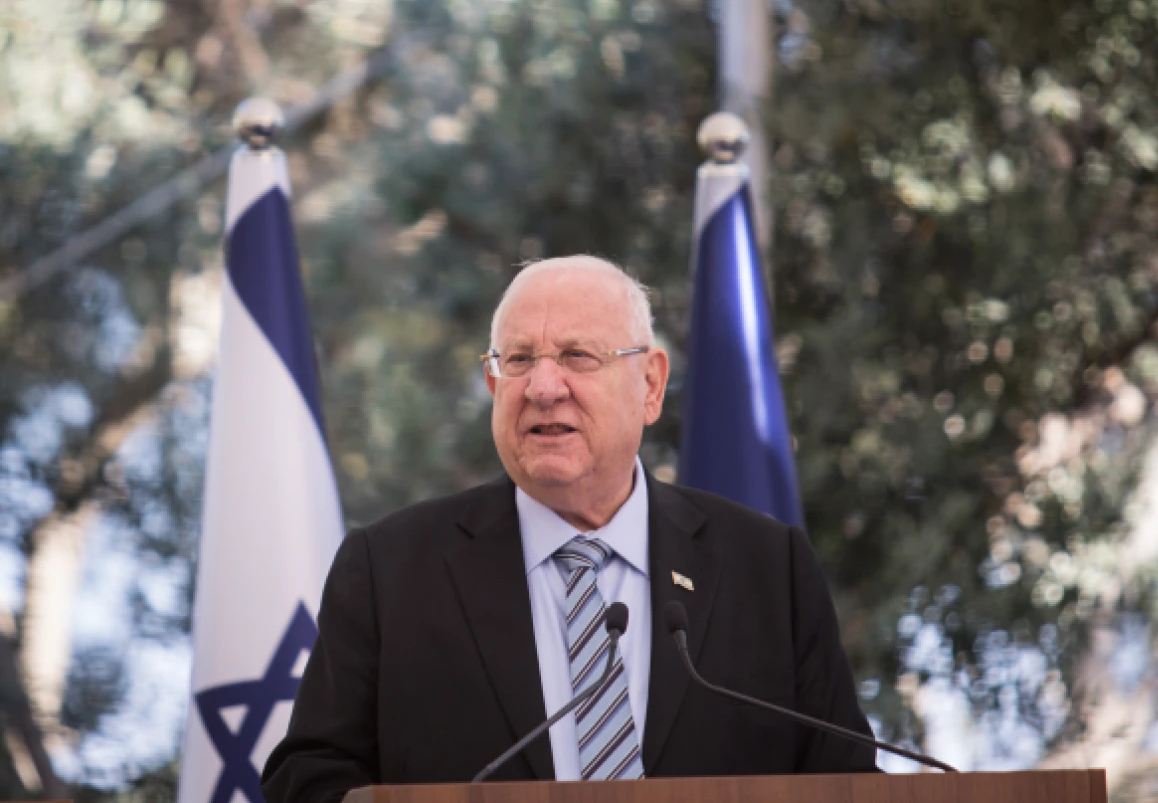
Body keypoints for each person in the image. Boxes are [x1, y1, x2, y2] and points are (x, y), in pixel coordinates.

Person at [261, 256, 877, 803]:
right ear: (493, 384)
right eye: (519, 360)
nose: (542, 387)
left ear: (651, 385)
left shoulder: (768, 568)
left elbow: (845, 780)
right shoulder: (389, 570)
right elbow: (309, 777)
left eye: (578, 357)